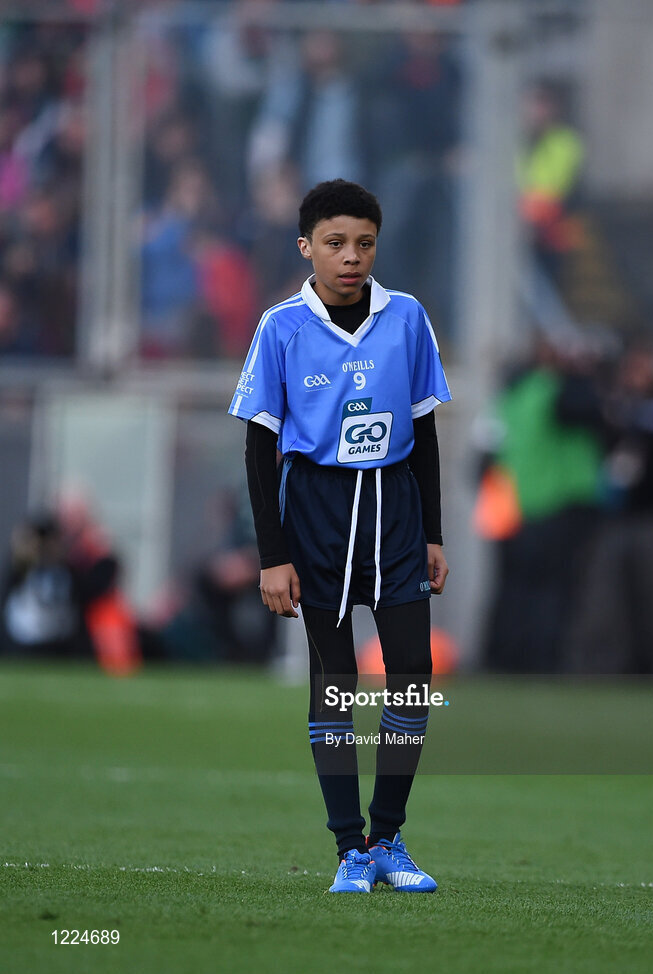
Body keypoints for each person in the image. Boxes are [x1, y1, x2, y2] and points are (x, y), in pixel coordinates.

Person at [228, 179, 451, 893]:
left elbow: (423, 433)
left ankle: (389, 839)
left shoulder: (407, 318)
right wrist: (272, 556)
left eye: (363, 243)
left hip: (394, 514)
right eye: (335, 243)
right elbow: (260, 449)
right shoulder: (281, 326)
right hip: (316, 520)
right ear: (306, 248)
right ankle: (348, 850)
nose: (350, 257)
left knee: (411, 683)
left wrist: (435, 535)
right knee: (335, 686)